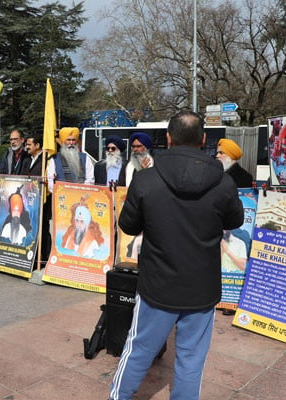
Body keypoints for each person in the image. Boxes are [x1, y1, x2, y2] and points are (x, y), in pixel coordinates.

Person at [109, 111, 243, 400]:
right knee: (191, 359)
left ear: (168, 138)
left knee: (140, 349)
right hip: (201, 287)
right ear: (204, 140)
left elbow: (128, 225)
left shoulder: (146, 179)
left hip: (158, 284)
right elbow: (234, 221)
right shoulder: (223, 182)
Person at [46, 127, 95, 193]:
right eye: (68, 140)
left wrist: (81, 190)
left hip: (82, 196)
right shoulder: (54, 159)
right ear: (63, 141)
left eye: (73, 140)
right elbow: (51, 181)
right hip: (62, 197)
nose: (71, 143)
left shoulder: (85, 158)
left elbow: (90, 179)